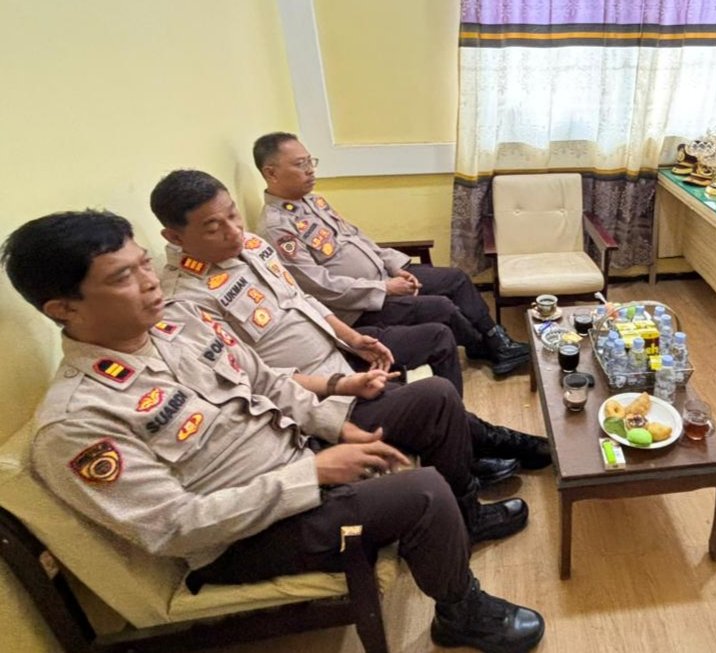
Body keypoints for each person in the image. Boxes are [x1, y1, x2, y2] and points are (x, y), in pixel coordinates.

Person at [1, 211, 545, 653]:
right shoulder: (78, 422)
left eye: (144, 263)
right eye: (123, 277)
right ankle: (459, 611)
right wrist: (312, 473)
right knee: (421, 491)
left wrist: (337, 423)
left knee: (433, 397)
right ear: (63, 308)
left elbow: (266, 381)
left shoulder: (177, 326)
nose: (149, 282)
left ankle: (466, 517)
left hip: (299, 456)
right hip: (244, 536)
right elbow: (174, 527)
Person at [149, 170, 551, 481]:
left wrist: (356, 339)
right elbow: (254, 381)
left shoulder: (252, 246)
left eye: (233, 214)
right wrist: (338, 382)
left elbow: (303, 300)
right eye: (213, 226)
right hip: (318, 394)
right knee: (435, 394)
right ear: (174, 236)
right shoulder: (187, 304)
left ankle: (467, 443)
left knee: (437, 337)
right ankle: (485, 451)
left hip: (341, 349)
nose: (233, 230)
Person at [252, 131, 531, 376]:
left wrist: (394, 266)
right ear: (271, 173)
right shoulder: (278, 228)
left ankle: (496, 341)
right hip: (358, 308)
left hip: (384, 277)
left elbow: (357, 238)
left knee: (455, 279)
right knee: (442, 307)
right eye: (300, 164)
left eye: (310, 161)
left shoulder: (312, 201)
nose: (311, 170)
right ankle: (483, 346)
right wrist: (385, 288)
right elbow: (319, 286)